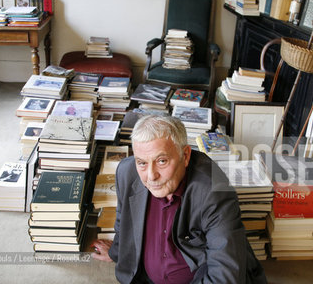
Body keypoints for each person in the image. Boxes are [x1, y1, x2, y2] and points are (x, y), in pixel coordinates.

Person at [92, 115, 267, 283]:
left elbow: (225, 274)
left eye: (162, 161)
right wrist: (116, 252)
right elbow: (124, 221)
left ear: (186, 155)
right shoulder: (126, 172)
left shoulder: (215, 191)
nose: (151, 176)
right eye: (142, 163)